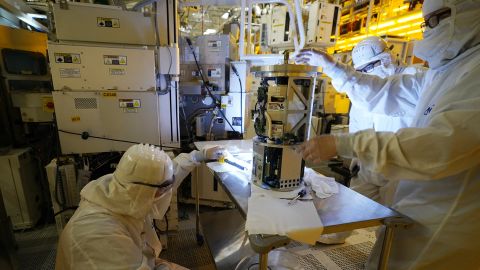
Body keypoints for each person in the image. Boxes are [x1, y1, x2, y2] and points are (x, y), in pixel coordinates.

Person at [296, 0, 480, 269]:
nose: (427, 30)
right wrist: (333, 67)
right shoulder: (443, 73)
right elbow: (385, 92)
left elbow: (439, 147)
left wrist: (345, 144)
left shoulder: (473, 75)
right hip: (408, 194)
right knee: (380, 244)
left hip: (447, 226)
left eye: (433, 22)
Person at [55, 144, 224, 270]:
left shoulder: (125, 192)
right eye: (164, 189)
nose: (168, 192)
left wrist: (198, 156)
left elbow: (169, 175)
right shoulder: (96, 234)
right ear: (147, 191)